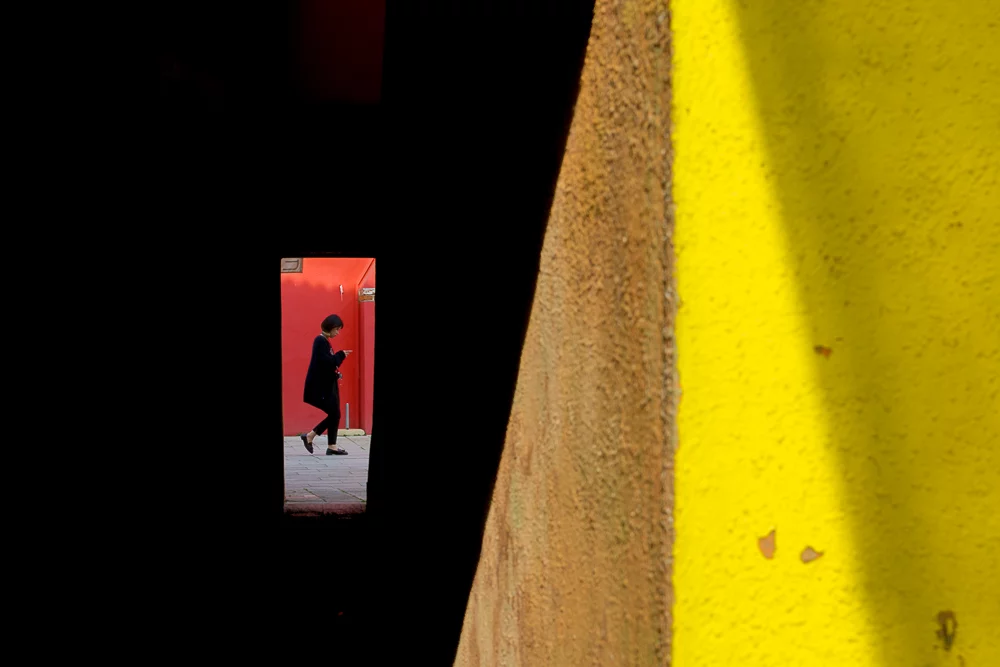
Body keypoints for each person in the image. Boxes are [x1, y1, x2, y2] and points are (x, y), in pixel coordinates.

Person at [300, 314, 353, 455]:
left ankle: (331, 445)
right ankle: (311, 436)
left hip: (327, 386)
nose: (338, 333)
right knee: (334, 413)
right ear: (332, 328)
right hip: (320, 388)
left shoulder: (324, 341)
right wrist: (341, 355)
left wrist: (335, 374)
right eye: (337, 330)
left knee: (335, 413)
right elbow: (327, 362)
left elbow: (326, 366)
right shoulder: (320, 341)